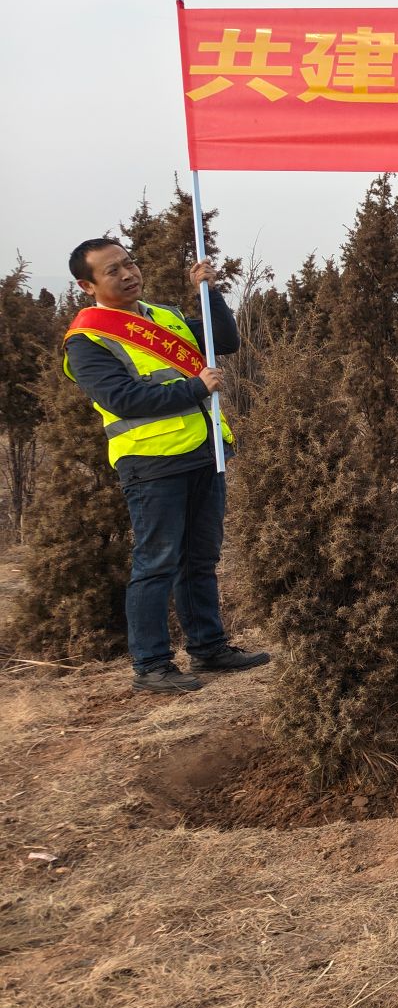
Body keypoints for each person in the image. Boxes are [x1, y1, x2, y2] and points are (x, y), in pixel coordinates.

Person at [62, 238, 268, 693]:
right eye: (112, 270)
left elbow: (225, 341)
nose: (128, 273)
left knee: (200, 558)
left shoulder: (164, 316)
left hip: (203, 450)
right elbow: (122, 399)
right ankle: (151, 665)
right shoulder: (87, 339)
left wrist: (208, 292)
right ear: (87, 285)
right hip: (151, 463)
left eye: (129, 263)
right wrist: (195, 388)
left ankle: (208, 647)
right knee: (156, 563)